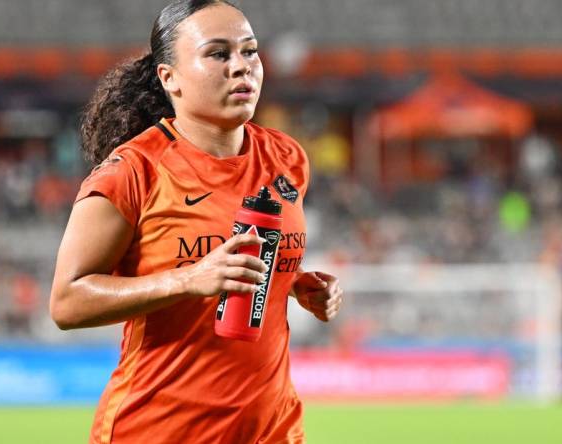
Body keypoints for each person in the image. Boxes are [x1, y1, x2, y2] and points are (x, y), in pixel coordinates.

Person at [49, 1, 344, 443]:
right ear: (170, 78)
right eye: (218, 54)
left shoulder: (287, 158)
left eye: (250, 51)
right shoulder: (133, 172)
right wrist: (189, 279)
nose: (241, 67)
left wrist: (297, 281)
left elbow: (249, 263)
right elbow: (67, 303)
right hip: (159, 430)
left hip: (273, 429)